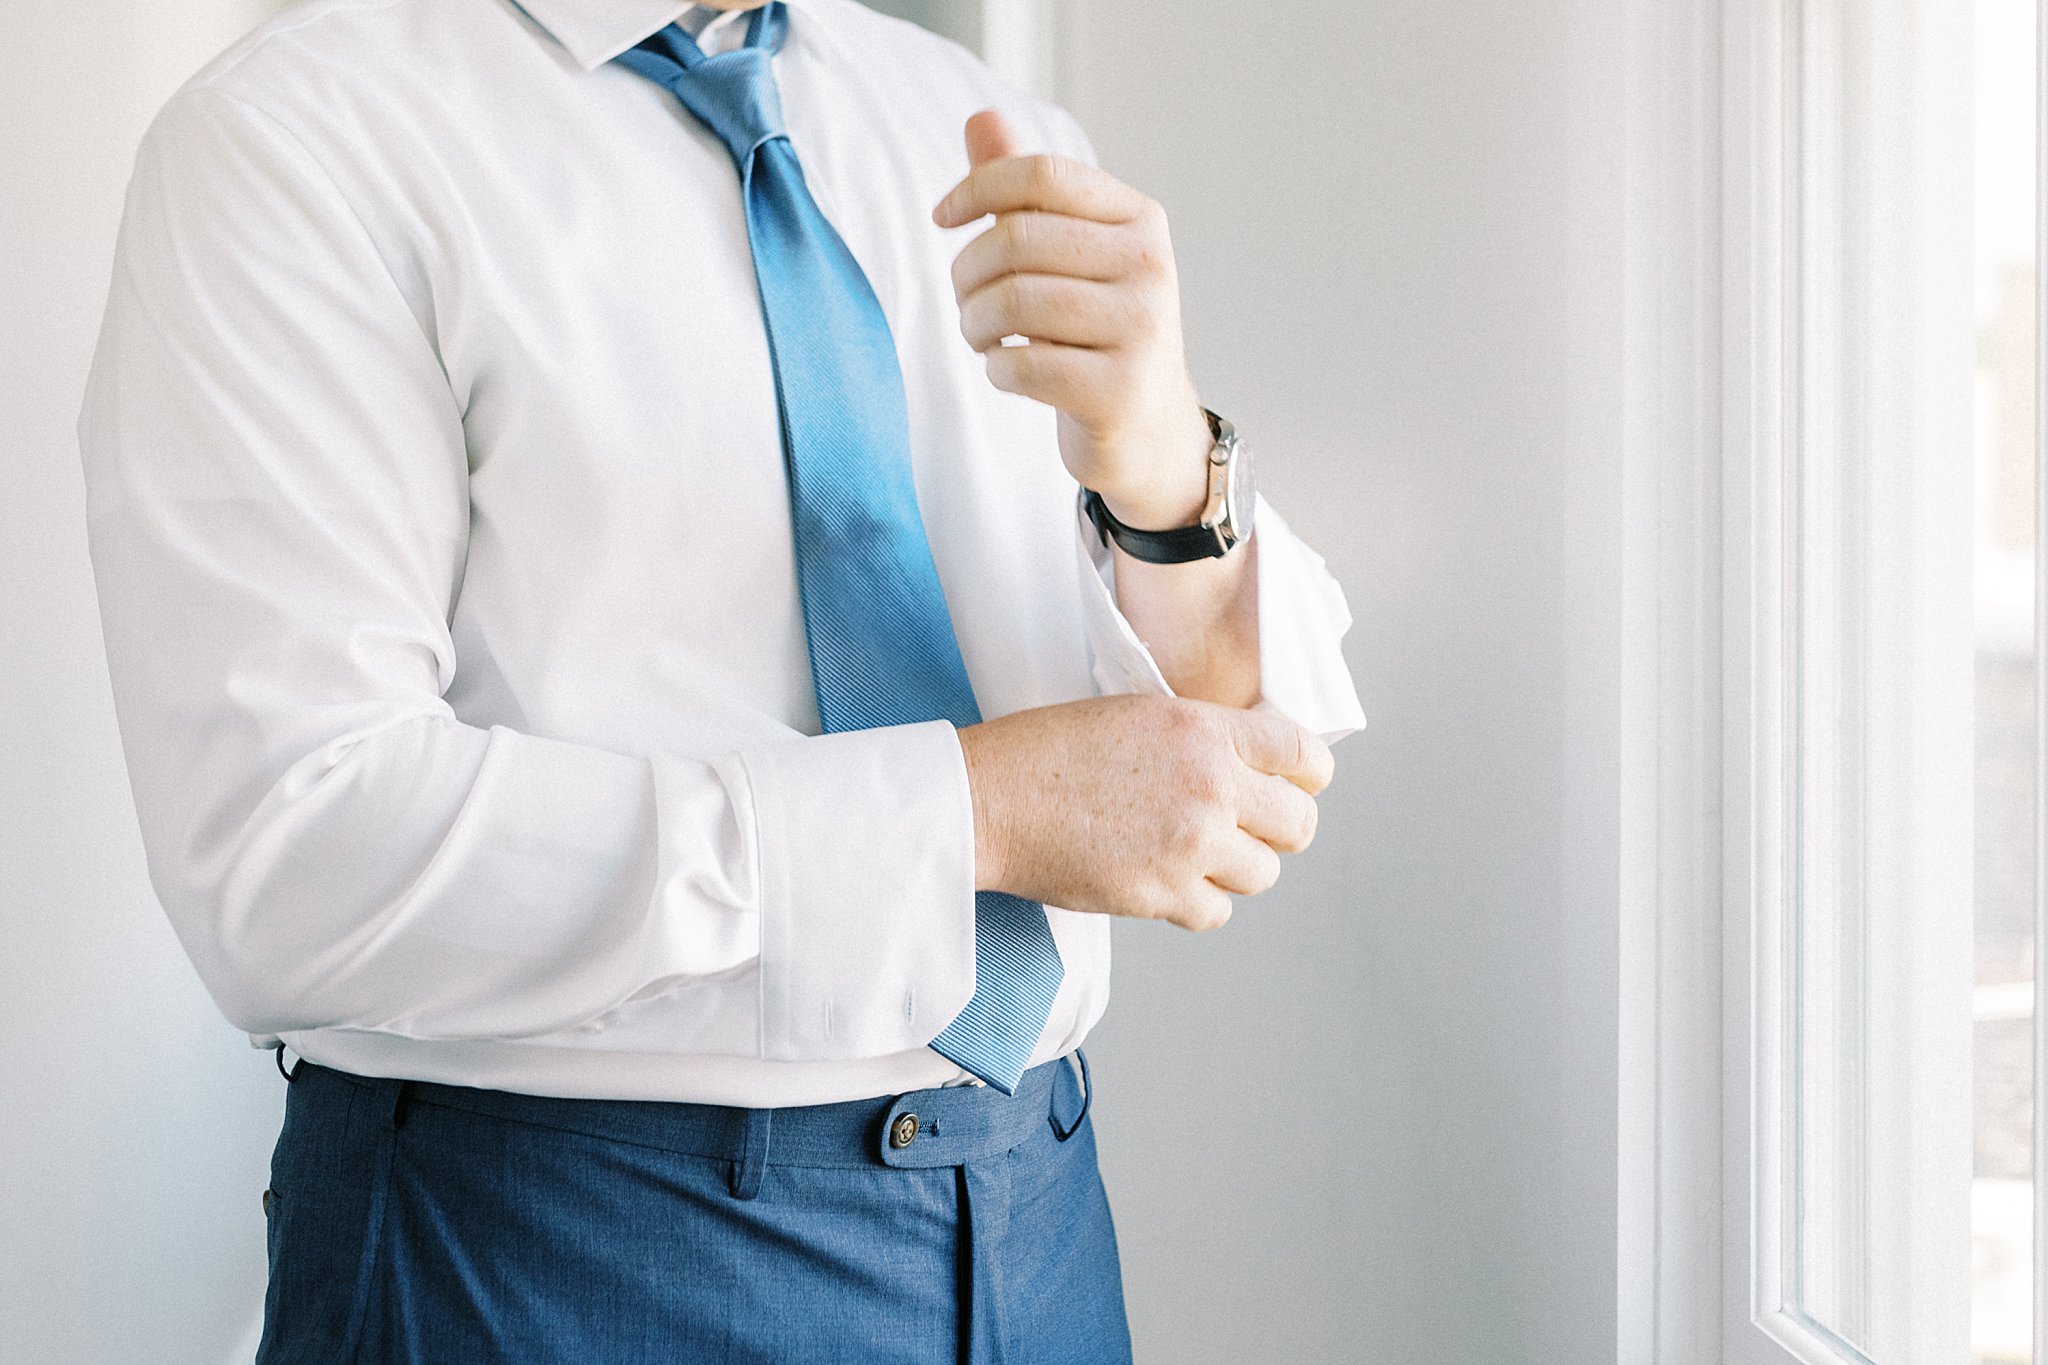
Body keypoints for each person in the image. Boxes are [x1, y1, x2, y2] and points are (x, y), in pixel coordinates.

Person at [76, 0, 1366, 1358]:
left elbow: (1236, 738)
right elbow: (295, 853)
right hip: (550, 1254)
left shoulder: (973, 117)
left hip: (1038, 1226)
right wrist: (976, 811)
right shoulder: (294, 139)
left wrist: (1167, 474)